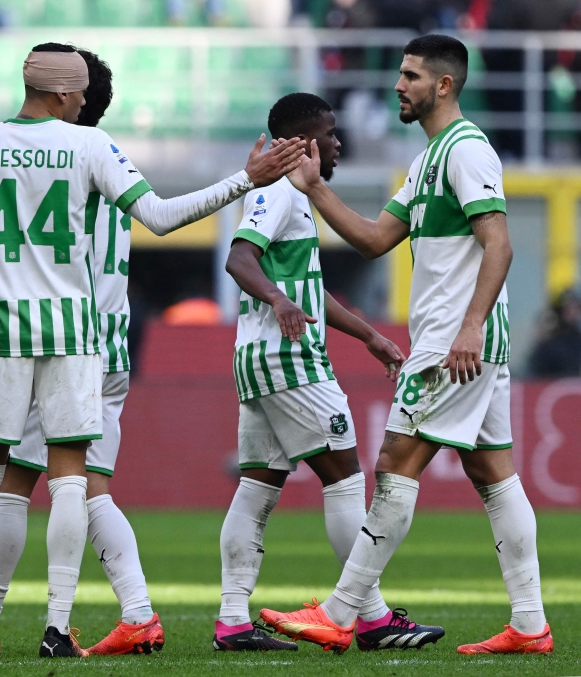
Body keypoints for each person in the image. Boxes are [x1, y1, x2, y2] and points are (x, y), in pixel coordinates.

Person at [0, 42, 306, 659]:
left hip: (4, 332)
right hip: (78, 334)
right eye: (81, 90)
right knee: (72, 482)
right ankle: (57, 630)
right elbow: (159, 217)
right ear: (64, 93)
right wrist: (246, 179)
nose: (85, 99)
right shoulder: (93, 149)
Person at [260, 35, 553, 656]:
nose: (398, 84)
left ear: (443, 85)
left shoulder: (467, 149)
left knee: (396, 461)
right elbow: (373, 239)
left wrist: (470, 326)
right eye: (400, 73)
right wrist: (314, 188)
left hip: (454, 341)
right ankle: (530, 625)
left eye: (411, 76)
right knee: (492, 471)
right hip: (460, 337)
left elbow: (499, 245)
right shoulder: (428, 160)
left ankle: (339, 612)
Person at [215, 92, 443, 653]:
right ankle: (372, 617)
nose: (338, 143)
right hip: (290, 360)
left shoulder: (293, 195)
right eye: (329, 133)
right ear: (301, 143)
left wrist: (367, 334)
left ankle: (232, 622)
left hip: (258, 360)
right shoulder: (278, 191)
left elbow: (308, 292)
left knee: (257, 487)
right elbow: (239, 258)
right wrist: (278, 300)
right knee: (344, 478)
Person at [528, 289, 581, 377]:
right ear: (560, 311)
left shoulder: (578, 341)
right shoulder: (548, 345)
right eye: (568, 309)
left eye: (576, 308)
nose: (573, 313)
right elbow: (537, 377)